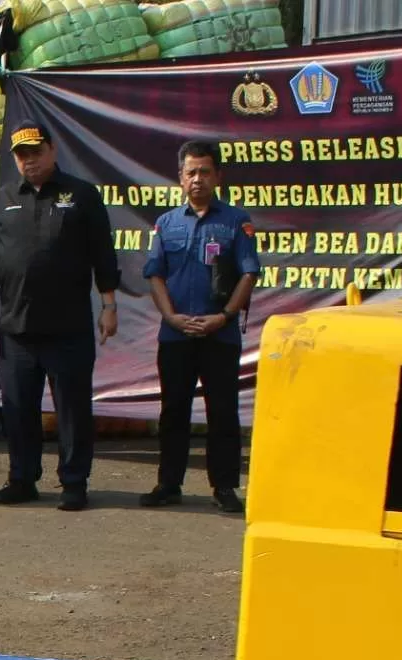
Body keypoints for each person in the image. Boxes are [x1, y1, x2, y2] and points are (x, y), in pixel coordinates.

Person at [0, 124, 120, 511]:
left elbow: (103, 255)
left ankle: (74, 482)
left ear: (52, 151)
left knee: (72, 409)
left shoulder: (82, 195)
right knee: (18, 408)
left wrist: (109, 305)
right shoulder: (4, 199)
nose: (30, 161)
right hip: (17, 329)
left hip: (68, 327)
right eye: (22, 156)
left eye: (36, 152)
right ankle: (22, 478)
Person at [139, 139, 260, 515]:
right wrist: (171, 317)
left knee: (222, 412)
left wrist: (223, 316)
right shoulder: (166, 223)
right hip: (175, 334)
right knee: (172, 411)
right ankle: (168, 484)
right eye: (191, 172)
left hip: (218, 334)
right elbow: (155, 275)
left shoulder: (236, 221)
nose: (197, 179)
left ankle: (224, 486)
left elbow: (249, 273)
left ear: (218, 176)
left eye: (205, 172)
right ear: (180, 177)